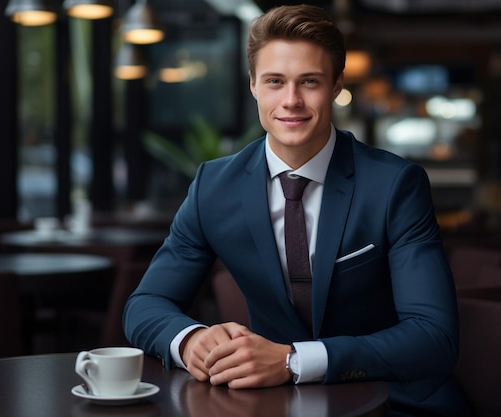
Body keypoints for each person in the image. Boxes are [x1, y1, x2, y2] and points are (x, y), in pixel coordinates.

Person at [124, 5, 472, 416]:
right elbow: (144, 305)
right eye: (275, 81)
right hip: (270, 406)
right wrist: (188, 340)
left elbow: (434, 338)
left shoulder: (395, 185)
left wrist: (293, 360)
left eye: (309, 82)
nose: (291, 101)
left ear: (336, 85)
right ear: (253, 85)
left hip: (391, 402)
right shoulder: (213, 187)